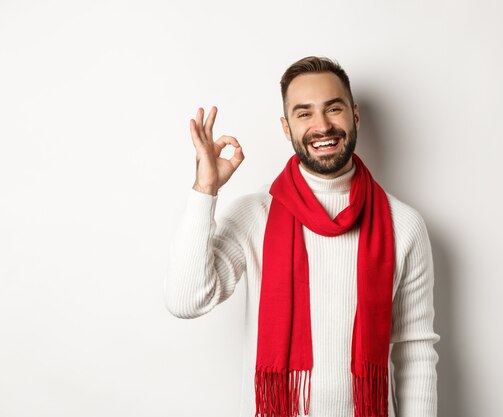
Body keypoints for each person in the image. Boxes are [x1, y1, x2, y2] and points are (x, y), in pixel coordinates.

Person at [165, 56, 440, 417]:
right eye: (304, 113)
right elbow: (186, 301)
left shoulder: (403, 224)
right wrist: (205, 189)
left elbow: (414, 350)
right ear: (286, 127)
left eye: (333, 108)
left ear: (355, 114)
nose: (322, 125)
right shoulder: (255, 214)